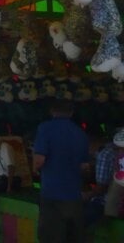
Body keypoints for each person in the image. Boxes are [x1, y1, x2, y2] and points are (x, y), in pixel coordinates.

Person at [33, 99, 90, 243]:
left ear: (52, 111)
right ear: (71, 113)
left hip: (52, 193)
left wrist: (36, 170)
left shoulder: (45, 128)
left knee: (51, 236)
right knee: (73, 237)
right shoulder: (80, 133)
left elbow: (39, 160)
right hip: (74, 195)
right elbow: (85, 167)